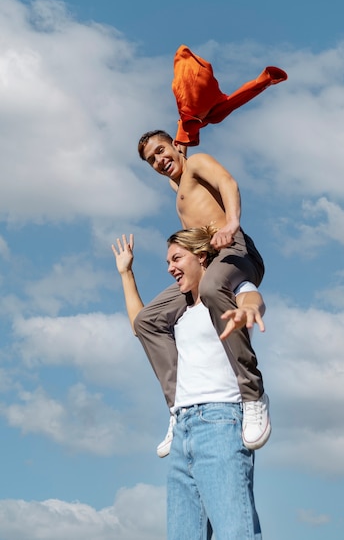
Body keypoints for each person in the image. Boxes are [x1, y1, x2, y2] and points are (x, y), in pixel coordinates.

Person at [112, 227, 265, 540]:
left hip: (221, 421)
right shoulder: (178, 313)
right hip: (182, 429)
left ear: (202, 257)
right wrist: (126, 273)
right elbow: (140, 326)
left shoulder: (226, 295)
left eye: (177, 258)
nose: (170, 268)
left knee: (234, 532)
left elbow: (251, 296)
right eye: (168, 262)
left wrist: (249, 309)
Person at [136, 129, 270, 456]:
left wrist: (232, 223)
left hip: (234, 251)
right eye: (151, 159)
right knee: (147, 321)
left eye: (161, 151)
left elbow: (227, 182)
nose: (158, 160)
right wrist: (182, 135)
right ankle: (176, 405)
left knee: (211, 287)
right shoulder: (179, 184)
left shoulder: (196, 163)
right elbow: (177, 156)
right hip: (205, 262)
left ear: (174, 146)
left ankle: (252, 394)